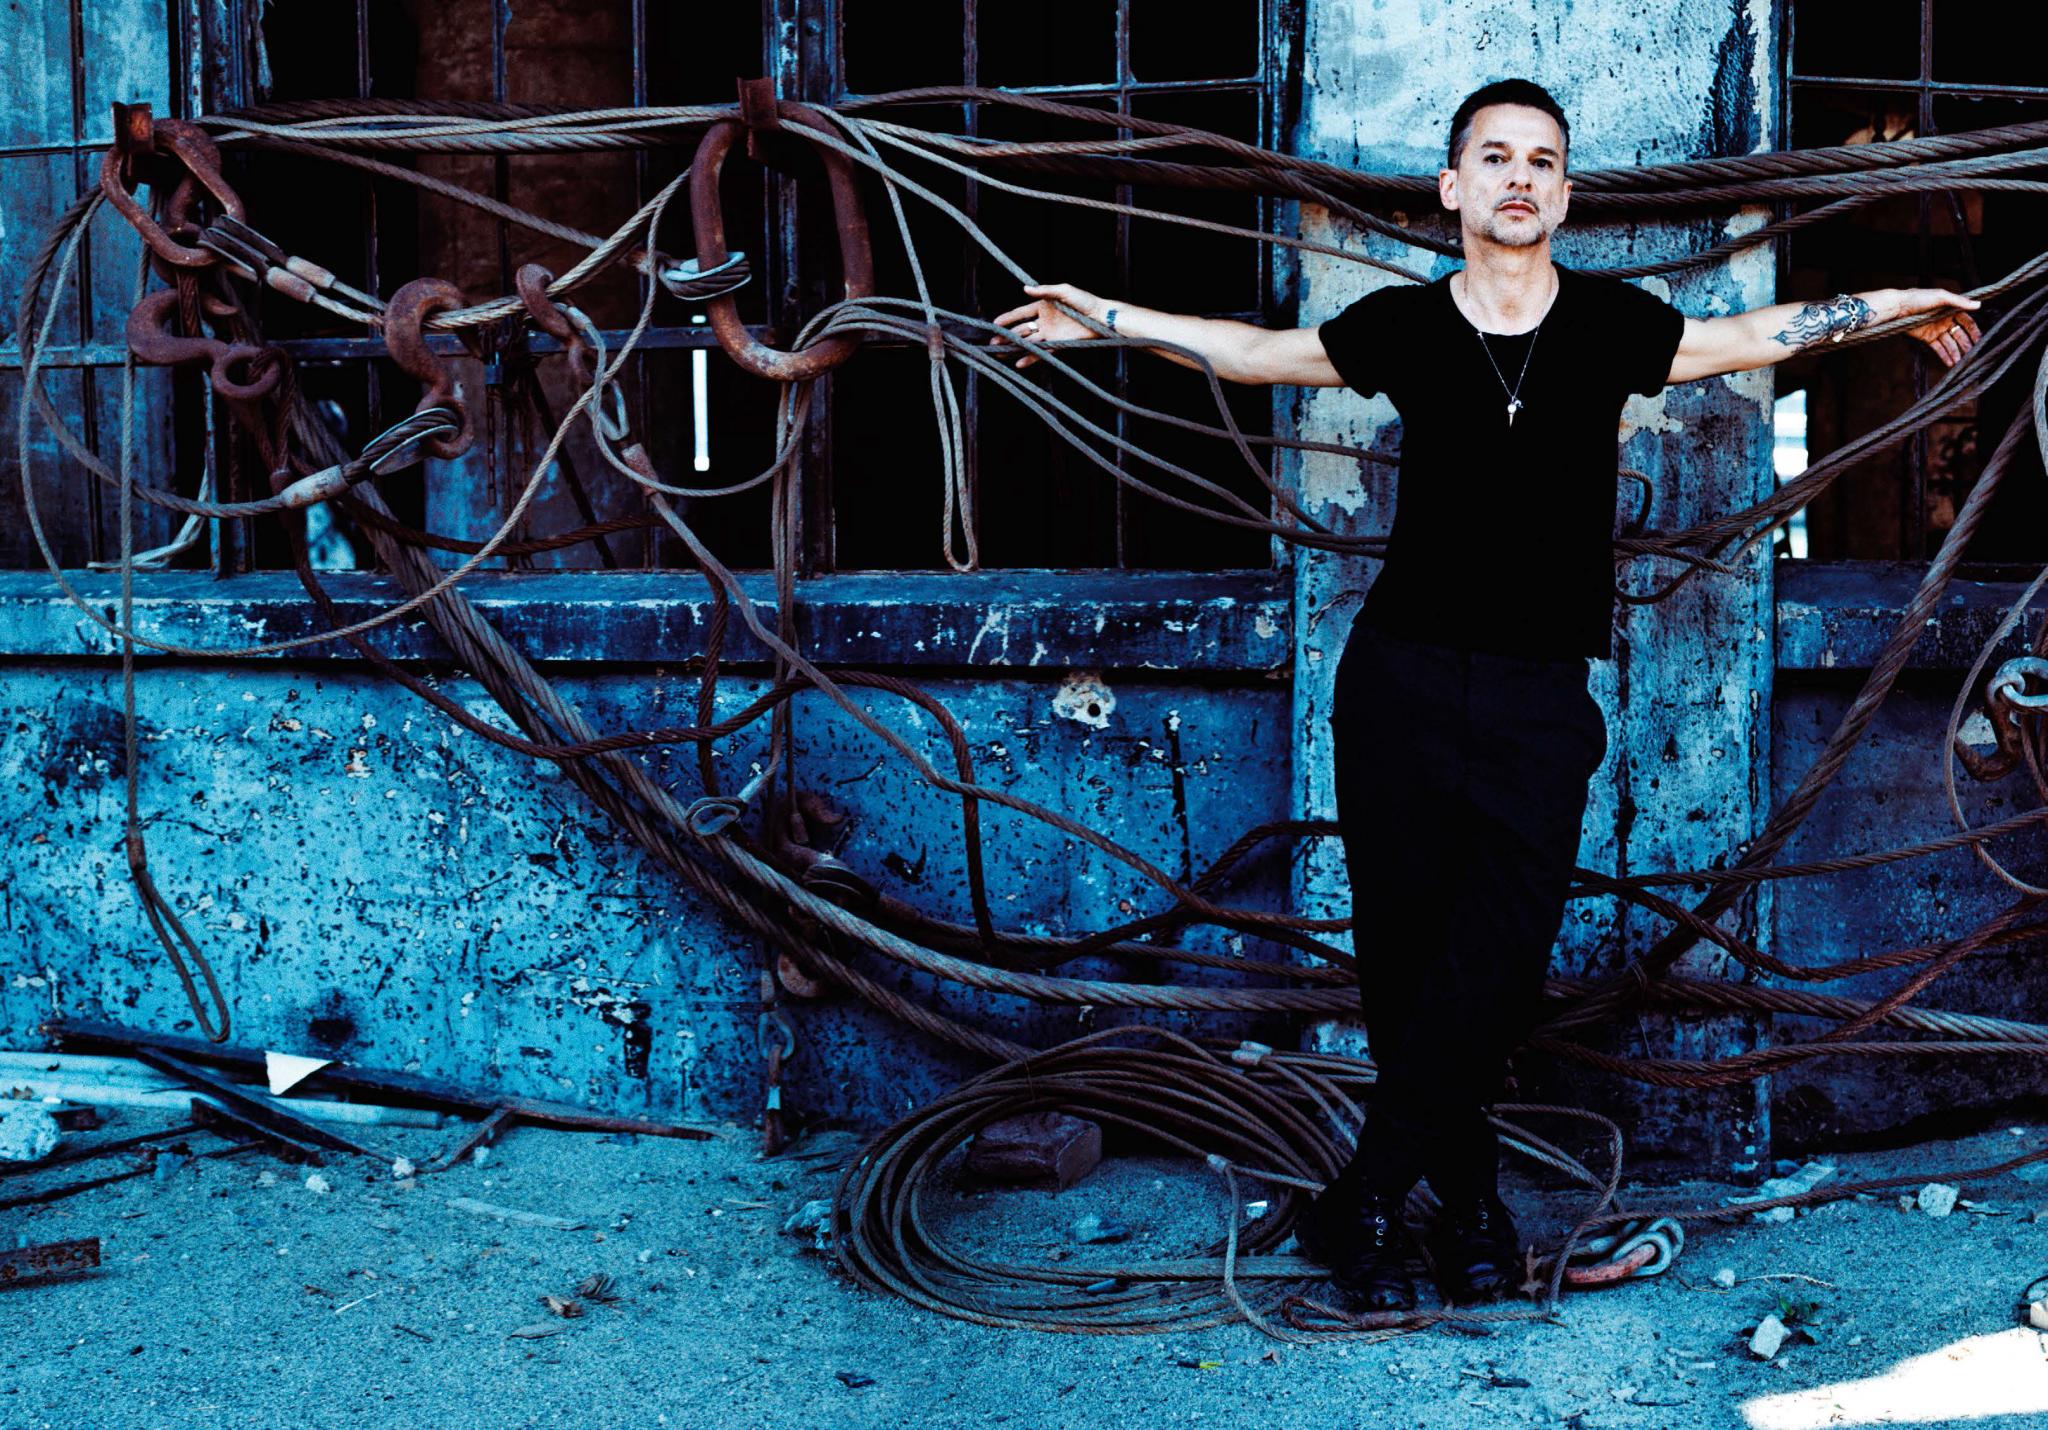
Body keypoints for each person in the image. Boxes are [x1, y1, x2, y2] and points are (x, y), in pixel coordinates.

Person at [992, 77, 1982, 1312]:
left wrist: (1896, 306)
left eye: (1542, 160)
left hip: (1535, 697)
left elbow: (1757, 336)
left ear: (1562, 197)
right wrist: (1096, 315)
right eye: (1496, 156)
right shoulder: (1406, 326)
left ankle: (1360, 1195)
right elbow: (1252, 357)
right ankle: (1467, 1210)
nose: (1520, 176)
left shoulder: (1609, 325)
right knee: (1407, 969)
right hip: (1398, 682)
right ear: (1452, 186)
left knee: (1496, 966)